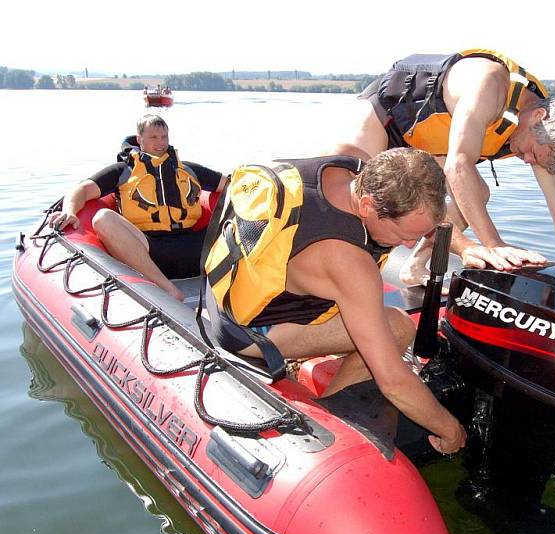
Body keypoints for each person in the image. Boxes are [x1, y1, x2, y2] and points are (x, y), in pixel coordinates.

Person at [204, 148, 467, 455]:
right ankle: (325, 421)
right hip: (246, 333)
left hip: (222, 290)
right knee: (397, 327)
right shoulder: (348, 263)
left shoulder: (346, 165)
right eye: (402, 234)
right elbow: (393, 381)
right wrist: (450, 430)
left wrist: (466, 245)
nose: (409, 245)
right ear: (367, 205)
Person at [328, 49, 555, 286]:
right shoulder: (489, 86)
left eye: (535, 160)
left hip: (429, 144)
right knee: (347, 184)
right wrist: (494, 246)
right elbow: (458, 166)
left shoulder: (542, 140)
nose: (529, 161)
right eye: (531, 154)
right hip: (387, 115)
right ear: (538, 117)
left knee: (475, 195)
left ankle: (415, 265)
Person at [47, 115, 227, 301]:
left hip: (198, 249)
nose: (160, 143)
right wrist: (69, 211)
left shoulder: (188, 170)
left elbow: (229, 184)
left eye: (164, 137)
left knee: (240, 211)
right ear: (140, 139)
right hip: (150, 250)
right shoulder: (122, 171)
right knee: (103, 219)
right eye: (153, 137)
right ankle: (167, 289)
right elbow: (82, 190)